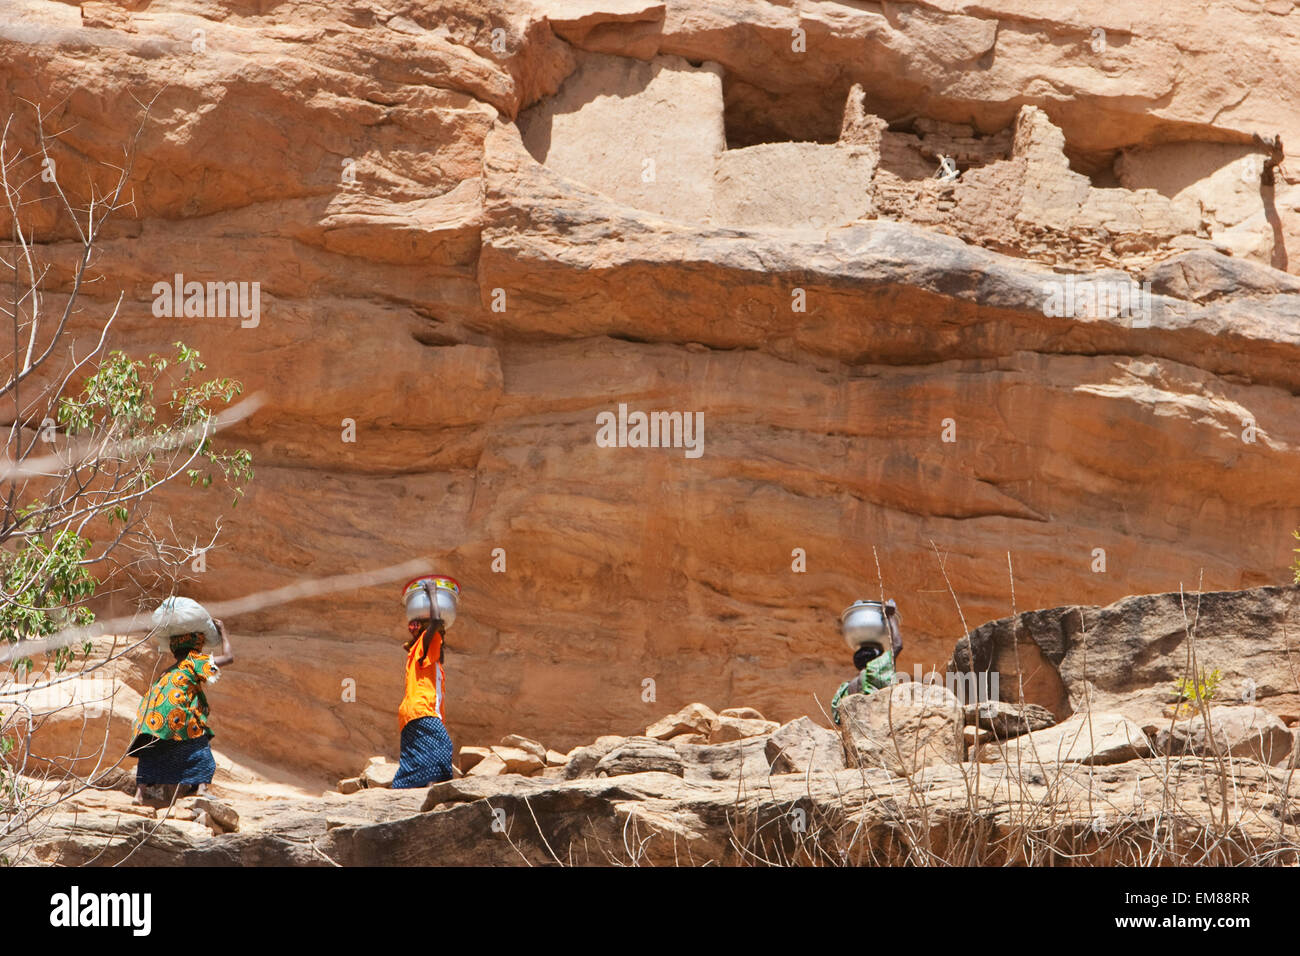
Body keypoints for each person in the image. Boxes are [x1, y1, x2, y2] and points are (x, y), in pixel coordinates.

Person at [129, 613, 233, 803]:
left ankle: (140, 795)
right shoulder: (195, 661)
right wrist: (223, 630)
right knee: (200, 747)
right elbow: (228, 657)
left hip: (150, 717)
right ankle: (201, 788)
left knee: (152, 751)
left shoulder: (168, 671)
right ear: (196, 646)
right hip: (176, 713)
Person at [391, 577, 457, 788]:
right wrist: (431, 593)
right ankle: (429, 789)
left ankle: (402, 788)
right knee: (442, 747)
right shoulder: (425, 644)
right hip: (422, 710)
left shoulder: (425, 653)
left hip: (410, 713)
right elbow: (436, 623)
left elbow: (438, 644)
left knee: (415, 757)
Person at [831, 598, 902, 725]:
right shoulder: (875, 670)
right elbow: (897, 645)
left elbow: (838, 718)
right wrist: (890, 616)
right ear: (876, 658)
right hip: (876, 728)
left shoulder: (845, 689)